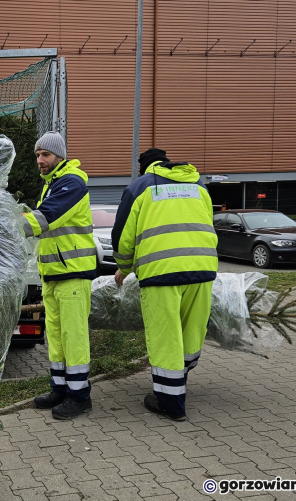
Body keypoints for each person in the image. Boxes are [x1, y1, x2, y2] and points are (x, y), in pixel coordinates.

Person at [111, 147, 218, 421]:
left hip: (161, 274)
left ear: (142, 167)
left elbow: (122, 235)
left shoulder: (140, 187)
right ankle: (180, 379)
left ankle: (171, 403)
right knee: (191, 331)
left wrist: (124, 268)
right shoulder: (198, 186)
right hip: (203, 270)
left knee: (165, 336)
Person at [22, 131, 97, 420]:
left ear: (59, 156)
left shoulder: (71, 182)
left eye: (45, 155)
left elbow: (44, 219)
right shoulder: (52, 184)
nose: (40, 160)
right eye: (38, 155)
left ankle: (80, 397)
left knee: (73, 336)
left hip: (72, 275)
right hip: (55, 274)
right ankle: (60, 388)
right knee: (56, 334)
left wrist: (5, 223)